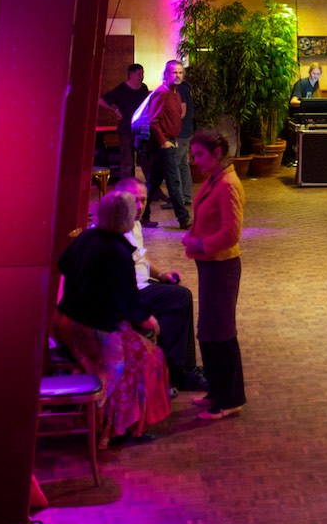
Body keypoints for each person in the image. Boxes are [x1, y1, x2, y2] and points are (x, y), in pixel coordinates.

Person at [54, 190, 173, 447]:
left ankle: (118, 423)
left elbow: (63, 264)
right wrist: (148, 319)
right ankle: (119, 428)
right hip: (92, 328)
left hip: (65, 321)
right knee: (148, 357)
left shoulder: (87, 236)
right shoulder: (117, 251)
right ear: (124, 217)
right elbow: (128, 298)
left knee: (141, 349)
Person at [116, 177, 204, 392]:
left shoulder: (134, 224)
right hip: (130, 291)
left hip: (141, 283)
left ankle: (178, 369)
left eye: (143, 200)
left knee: (178, 294)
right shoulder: (115, 229)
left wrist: (162, 274)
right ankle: (179, 371)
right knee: (180, 297)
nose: (139, 206)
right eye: (134, 200)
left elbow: (141, 259)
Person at [181, 130, 246, 421]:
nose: (195, 161)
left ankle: (231, 398)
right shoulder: (214, 180)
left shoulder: (228, 185)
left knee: (221, 330)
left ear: (217, 153)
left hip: (222, 266)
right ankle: (217, 390)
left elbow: (231, 233)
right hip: (210, 264)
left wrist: (200, 244)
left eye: (200, 155)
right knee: (208, 328)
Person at [138, 61, 191, 229]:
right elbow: (154, 121)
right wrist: (164, 142)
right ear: (166, 75)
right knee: (173, 181)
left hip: (169, 142)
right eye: (174, 73)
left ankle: (143, 216)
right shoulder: (163, 93)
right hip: (164, 145)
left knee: (153, 182)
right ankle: (184, 218)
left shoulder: (175, 93)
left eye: (180, 73)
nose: (177, 76)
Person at [98, 63, 149, 183]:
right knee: (127, 160)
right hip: (126, 129)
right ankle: (127, 185)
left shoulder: (143, 88)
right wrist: (115, 110)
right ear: (131, 75)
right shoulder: (122, 89)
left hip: (140, 129)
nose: (142, 77)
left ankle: (151, 186)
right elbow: (101, 100)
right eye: (139, 74)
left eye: (142, 74)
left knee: (146, 159)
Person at [282, 63, 322, 166]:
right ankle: (291, 158)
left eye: (318, 74)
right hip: (296, 116)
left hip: (308, 116)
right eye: (313, 73)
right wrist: (306, 103)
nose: (315, 76)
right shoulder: (301, 84)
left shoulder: (317, 86)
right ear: (309, 73)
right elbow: (293, 101)